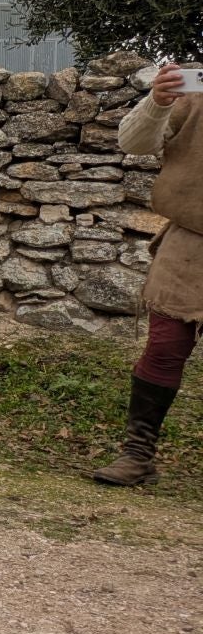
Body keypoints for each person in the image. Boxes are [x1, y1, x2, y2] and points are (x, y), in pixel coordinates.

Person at [95, 62, 201, 486]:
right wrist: (157, 102)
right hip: (190, 245)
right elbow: (133, 142)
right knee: (164, 348)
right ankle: (138, 455)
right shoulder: (192, 93)